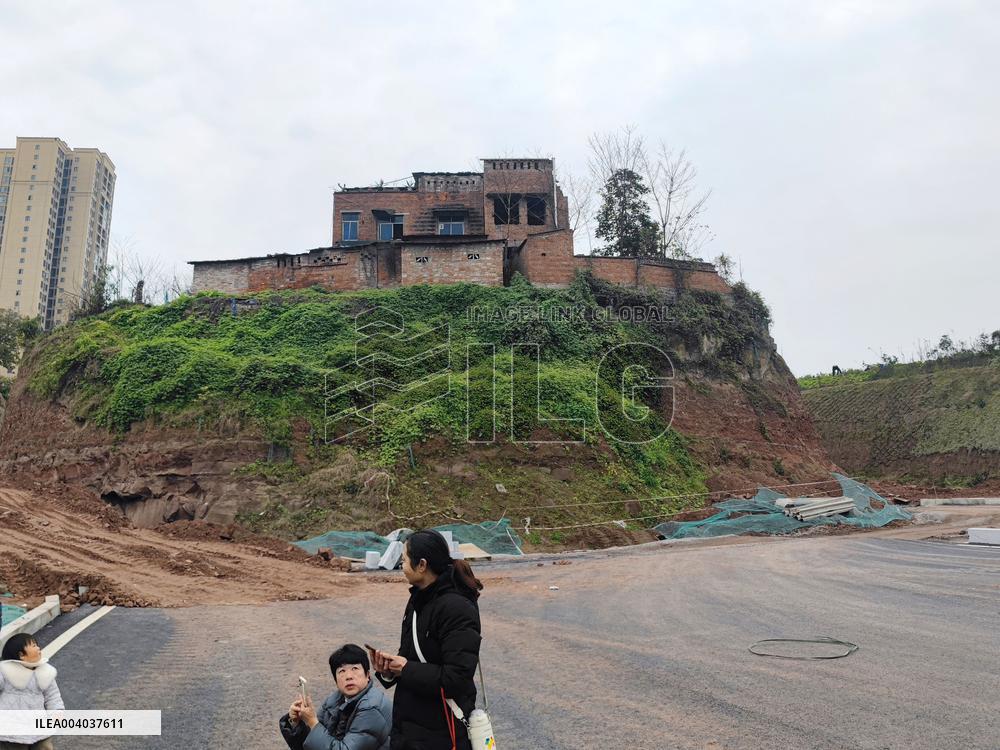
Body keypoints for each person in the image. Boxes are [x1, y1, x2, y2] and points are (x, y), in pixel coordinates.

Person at [370, 530, 484, 750]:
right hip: (409, 728)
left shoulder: (457, 608)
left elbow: (457, 678)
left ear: (421, 564)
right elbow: (410, 657)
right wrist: (390, 669)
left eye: (404, 560)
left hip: (442, 732)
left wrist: (406, 669)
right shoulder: (416, 601)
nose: (401, 566)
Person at [279, 643, 392, 750]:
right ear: (336, 681)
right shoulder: (334, 700)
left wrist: (312, 721)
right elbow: (311, 745)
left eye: (355, 669)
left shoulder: (371, 708)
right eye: (342, 671)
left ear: (367, 675)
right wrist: (296, 722)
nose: (348, 676)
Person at [0, 633, 65, 750]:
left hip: (39, 728)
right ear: (21, 655)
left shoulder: (45, 672)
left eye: (37, 645)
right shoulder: (5, 671)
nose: (38, 648)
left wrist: (56, 711)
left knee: (44, 746)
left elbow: (52, 695)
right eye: (34, 646)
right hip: (11, 730)